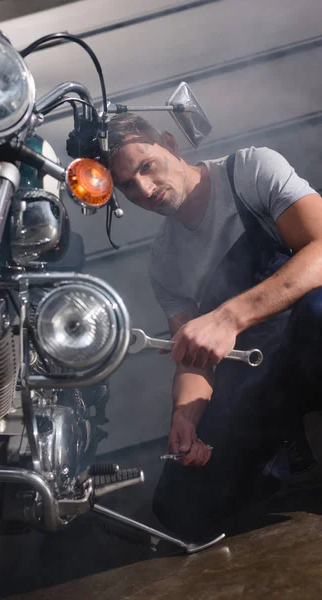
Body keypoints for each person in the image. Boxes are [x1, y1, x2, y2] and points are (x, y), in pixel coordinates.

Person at [107, 112, 322, 541]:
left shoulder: (249, 171)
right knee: (180, 509)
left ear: (170, 142)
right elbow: (194, 358)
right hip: (257, 376)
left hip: (310, 338)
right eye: (128, 185)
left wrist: (228, 318)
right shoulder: (164, 260)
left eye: (146, 166)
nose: (145, 191)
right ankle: (277, 452)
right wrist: (185, 418)